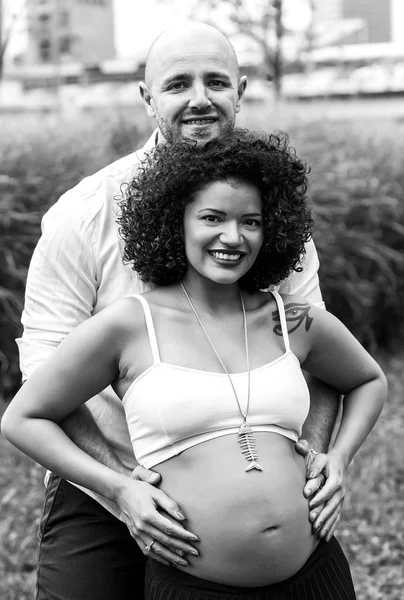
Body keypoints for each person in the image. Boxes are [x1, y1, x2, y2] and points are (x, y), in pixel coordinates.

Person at [14, 22, 343, 600]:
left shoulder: (277, 222)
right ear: (147, 98)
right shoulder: (85, 214)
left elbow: (313, 352)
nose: (198, 98)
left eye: (216, 81)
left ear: (240, 91)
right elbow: (43, 372)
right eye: (177, 84)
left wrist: (315, 457)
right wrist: (121, 488)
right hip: (103, 478)